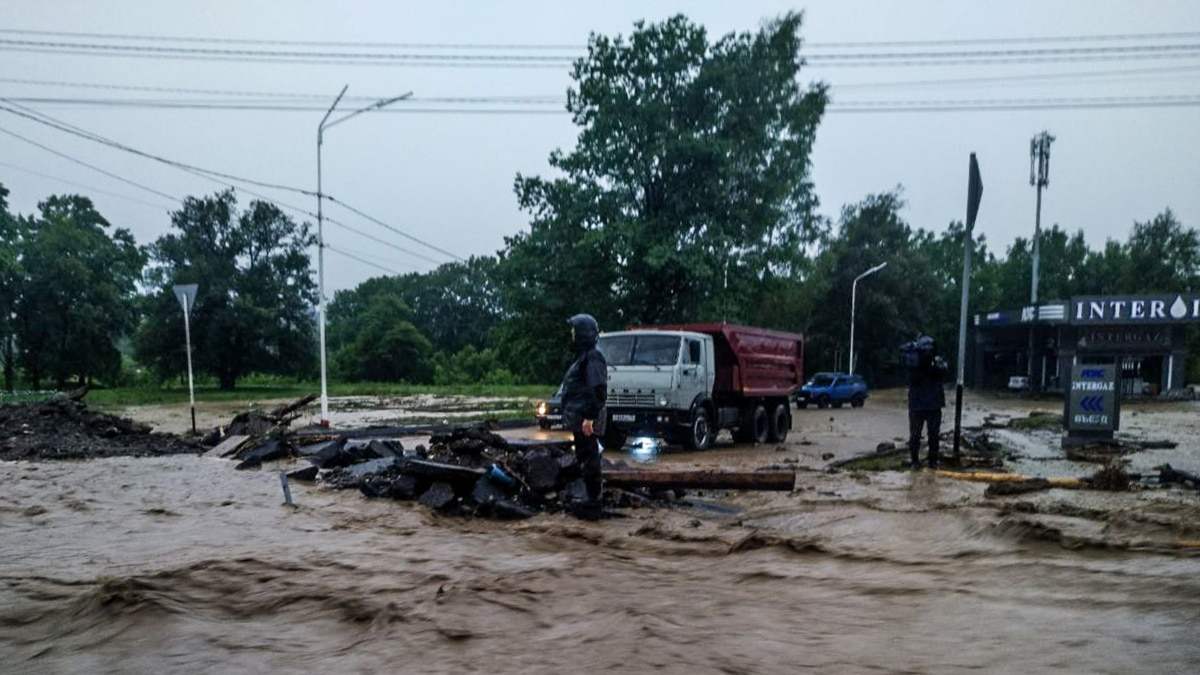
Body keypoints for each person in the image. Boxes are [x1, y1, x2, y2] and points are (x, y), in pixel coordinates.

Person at [559, 313, 609, 509]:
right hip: (582, 417)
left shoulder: (593, 356)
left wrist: (589, 417)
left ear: (583, 334)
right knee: (585, 455)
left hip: (587, 418)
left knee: (589, 457)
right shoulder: (584, 356)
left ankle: (594, 500)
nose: (571, 335)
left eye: (574, 331)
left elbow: (598, 389)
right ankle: (591, 496)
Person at [905, 335, 948, 470]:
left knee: (933, 435)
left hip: (931, 404)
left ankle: (931, 461)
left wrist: (933, 365)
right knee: (916, 435)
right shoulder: (913, 362)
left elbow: (944, 370)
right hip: (920, 404)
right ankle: (916, 462)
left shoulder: (937, 363)